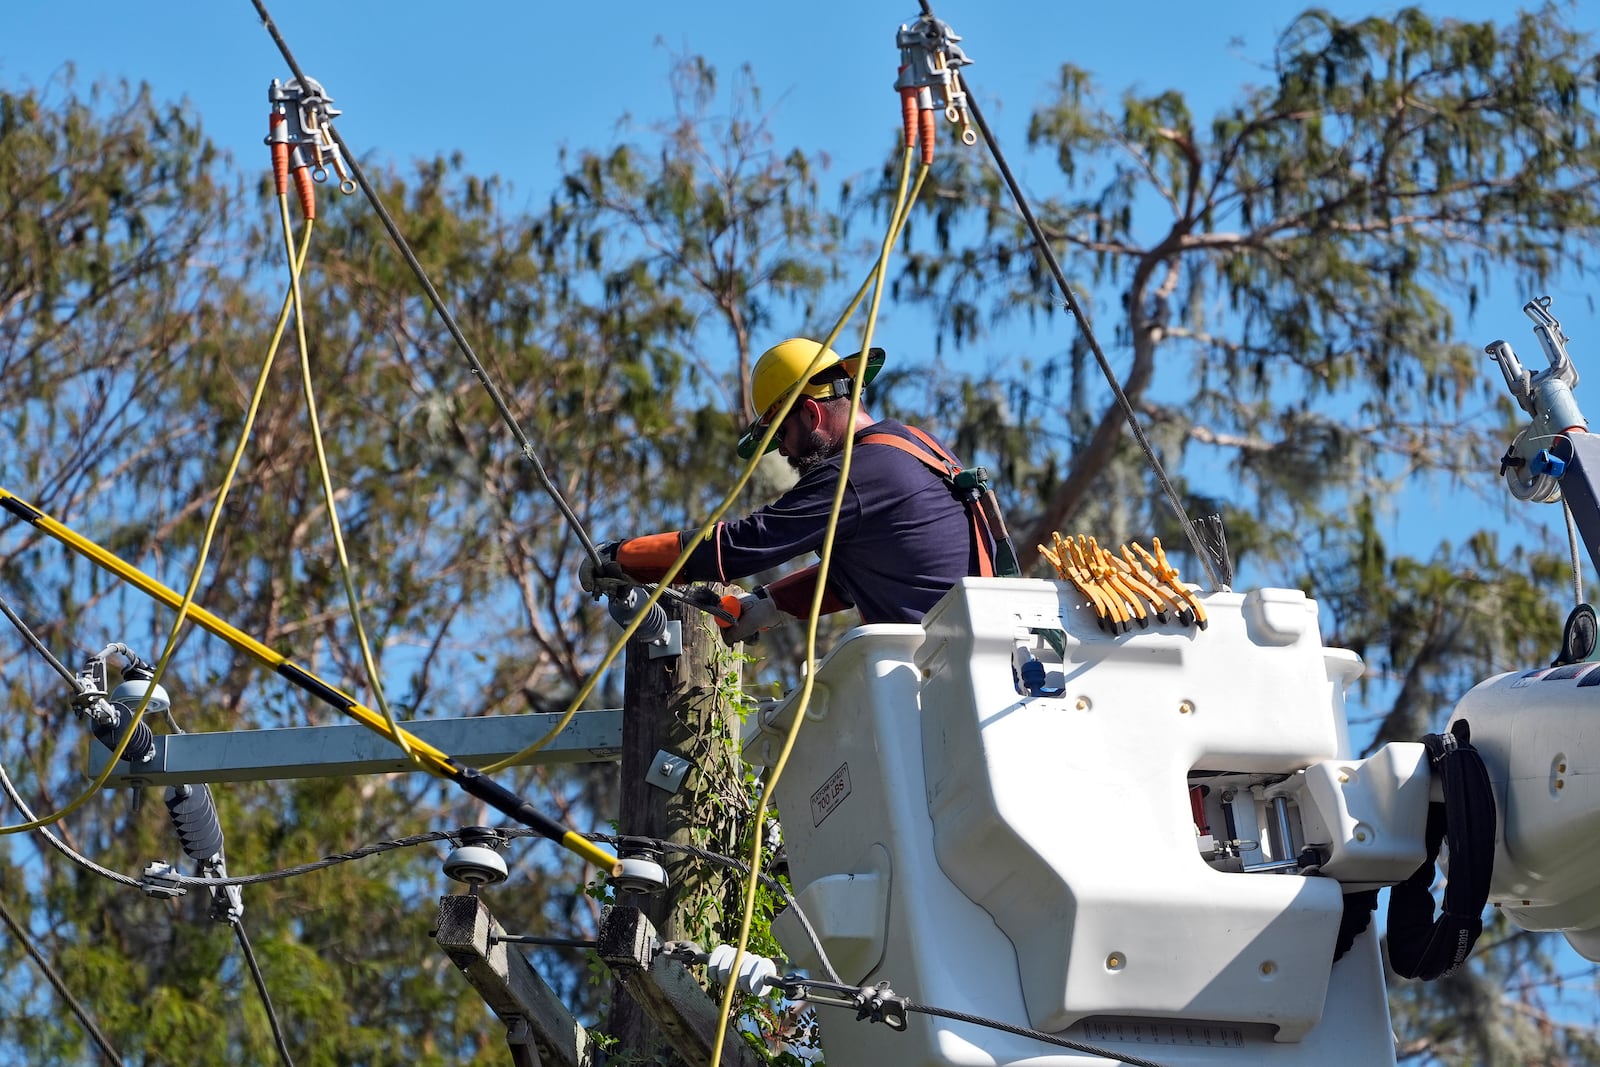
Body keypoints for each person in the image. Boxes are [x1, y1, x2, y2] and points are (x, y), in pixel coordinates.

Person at [582, 337, 996, 642]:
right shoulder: (917, 446)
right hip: (977, 659)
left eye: (779, 433)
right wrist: (770, 604)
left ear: (812, 412)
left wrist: (622, 557)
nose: (780, 450)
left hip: (946, 673)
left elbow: (742, 545)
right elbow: (866, 575)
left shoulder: (855, 473)